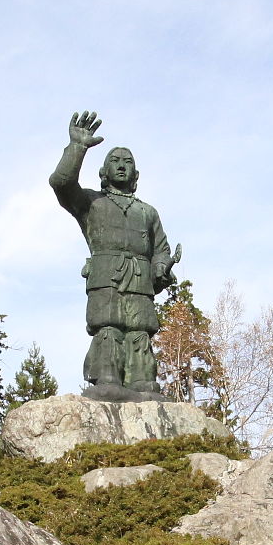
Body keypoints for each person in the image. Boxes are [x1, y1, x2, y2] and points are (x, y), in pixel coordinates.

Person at [48, 110, 181, 397]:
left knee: (139, 330)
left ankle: (143, 380)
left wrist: (161, 266)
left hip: (139, 279)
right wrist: (77, 147)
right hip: (106, 275)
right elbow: (61, 184)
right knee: (108, 327)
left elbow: (161, 249)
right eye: (115, 161)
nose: (121, 166)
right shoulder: (90, 203)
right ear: (104, 171)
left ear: (136, 173)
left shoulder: (147, 212)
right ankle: (107, 379)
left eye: (128, 162)